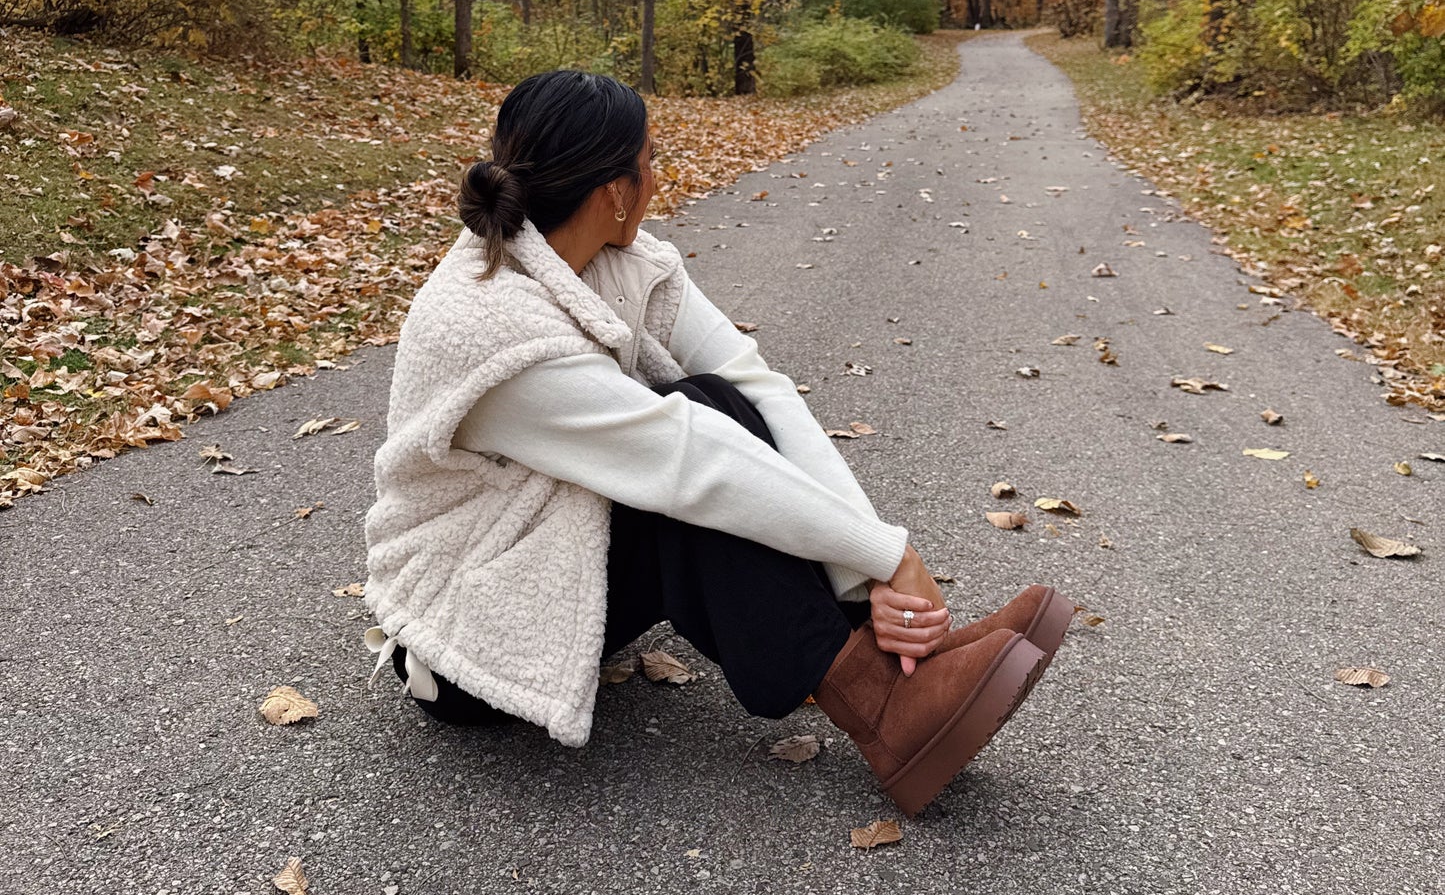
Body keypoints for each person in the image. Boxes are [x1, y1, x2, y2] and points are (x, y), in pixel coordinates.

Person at [364, 69, 1068, 816]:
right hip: (468, 638)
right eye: (649, 159)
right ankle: (883, 711)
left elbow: (754, 383)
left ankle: (892, 655)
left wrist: (869, 572)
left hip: (548, 560)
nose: (656, 176)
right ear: (613, 191)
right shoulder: (486, 324)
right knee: (685, 467)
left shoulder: (616, 262)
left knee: (716, 401)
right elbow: (686, 460)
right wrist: (890, 553)